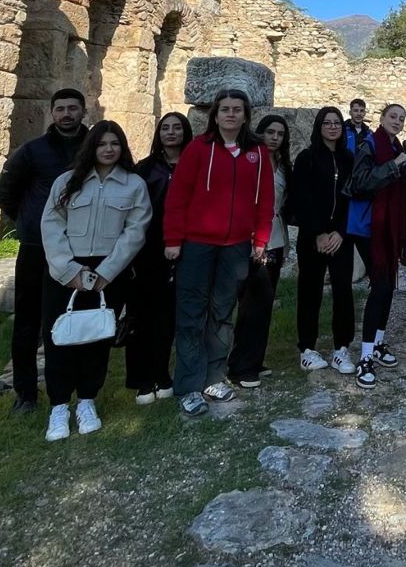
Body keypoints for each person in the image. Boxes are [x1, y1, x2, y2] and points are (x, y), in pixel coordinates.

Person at [161, 88, 275, 417]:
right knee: (191, 313)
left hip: (237, 246)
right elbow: (178, 197)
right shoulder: (199, 149)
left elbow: (265, 200)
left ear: (245, 114)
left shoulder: (257, 152)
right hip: (198, 244)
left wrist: (260, 240)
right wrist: (173, 239)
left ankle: (213, 376)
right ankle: (189, 385)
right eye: (224, 109)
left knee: (223, 313)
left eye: (237, 109)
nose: (230, 114)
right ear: (215, 114)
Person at [39, 121, 151, 441]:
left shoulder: (133, 185)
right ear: (91, 147)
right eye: (102, 144)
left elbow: (135, 231)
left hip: (107, 272)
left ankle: (87, 400)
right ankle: (59, 405)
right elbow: (51, 225)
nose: (108, 149)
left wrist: (107, 272)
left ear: (123, 147)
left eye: (115, 143)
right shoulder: (67, 181)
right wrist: (68, 270)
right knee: (61, 336)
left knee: (97, 338)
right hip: (67, 271)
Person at [0, 87, 90, 414]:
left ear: (83, 111)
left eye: (72, 108)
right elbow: (6, 193)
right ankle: (25, 392)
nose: (66, 114)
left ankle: (69, 387)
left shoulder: (94, 148)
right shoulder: (32, 151)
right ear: (52, 113)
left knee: (73, 317)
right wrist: (29, 222)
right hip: (37, 248)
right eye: (60, 108)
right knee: (28, 320)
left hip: (80, 247)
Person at [347, 103, 406, 388]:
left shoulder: (394, 145)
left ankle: (378, 343)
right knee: (381, 286)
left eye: (401, 118)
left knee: (388, 286)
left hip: (386, 226)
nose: (397, 121)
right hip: (367, 226)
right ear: (382, 118)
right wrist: (394, 166)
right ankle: (365, 356)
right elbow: (359, 182)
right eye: (393, 116)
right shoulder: (370, 145)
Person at [291, 107, 358, 375]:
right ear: (319, 127)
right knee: (310, 290)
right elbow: (301, 198)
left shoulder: (349, 159)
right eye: (327, 123)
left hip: (340, 237)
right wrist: (318, 232)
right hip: (313, 236)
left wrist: (340, 232)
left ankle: (342, 347)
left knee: (343, 290)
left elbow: (351, 197)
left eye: (336, 123)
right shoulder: (306, 158)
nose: (332, 127)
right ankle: (307, 348)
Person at [128, 112, 189, 404]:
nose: (171, 132)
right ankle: (142, 378)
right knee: (145, 314)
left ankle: (162, 372)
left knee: (170, 316)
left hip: (186, 246)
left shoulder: (196, 165)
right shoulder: (145, 168)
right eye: (165, 128)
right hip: (149, 248)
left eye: (177, 127)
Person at [228, 113, 292, 388]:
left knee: (264, 304)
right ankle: (240, 366)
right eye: (270, 132)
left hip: (276, 239)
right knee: (251, 304)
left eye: (280, 134)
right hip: (253, 241)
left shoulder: (282, 166)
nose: (275, 138)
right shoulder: (248, 161)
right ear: (260, 133)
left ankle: (254, 360)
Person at [343, 99, 373, 285]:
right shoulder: (343, 131)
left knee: (360, 226)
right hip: (345, 183)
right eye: (356, 110)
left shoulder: (369, 134)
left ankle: (360, 270)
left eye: (362, 110)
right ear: (351, 111)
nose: (359, 113)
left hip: (362, 185)